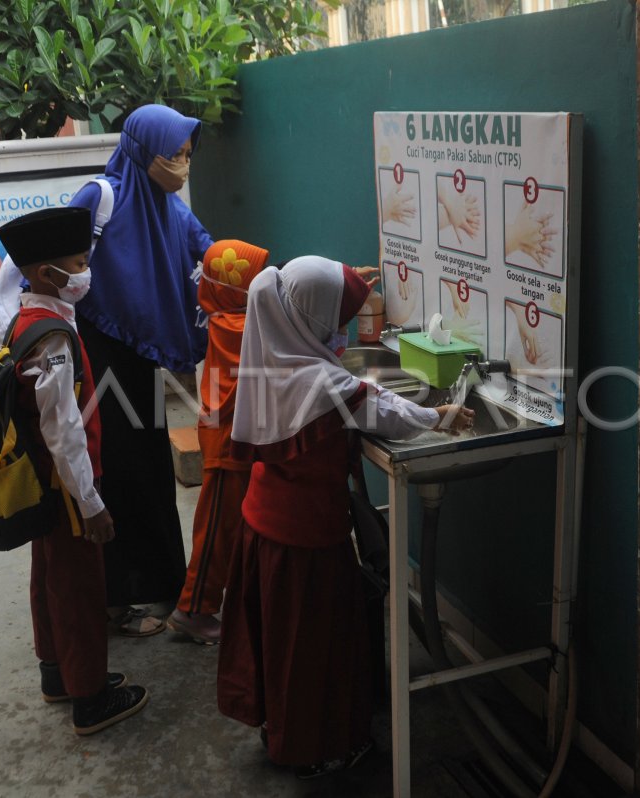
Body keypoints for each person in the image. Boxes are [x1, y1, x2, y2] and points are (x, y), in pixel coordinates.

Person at [216, 256, 474, 778]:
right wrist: (439, 416)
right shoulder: (319, 380)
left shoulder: (274, 345)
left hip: (264, 526)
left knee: (281, 643)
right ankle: (314, 748)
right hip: (306, 537)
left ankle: (281, 729)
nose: (341, 332)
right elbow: (382, 408)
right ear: (312, 322)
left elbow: (358, 389)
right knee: (312, 648)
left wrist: (341, 285)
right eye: (336, 320)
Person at [0, 207, 148, 735]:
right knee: (80, 588)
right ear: (45, 275)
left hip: (42, 480)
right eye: (79, 263)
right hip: (66, 484)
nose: (87, 272)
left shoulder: (23, 316)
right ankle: (90, 698)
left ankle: (57, 673)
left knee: (50, 577)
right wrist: (92, 503)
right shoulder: (53, 336)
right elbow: (64, 429)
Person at [69, 104, 215, 636]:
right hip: (93, 356)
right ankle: (113, 600)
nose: (181, 164)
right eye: (172, 154)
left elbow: (217, 256)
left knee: (149, 470)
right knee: (110, 474)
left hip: (139, 361)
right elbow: (50, 265)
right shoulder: (100, 197)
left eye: (186, 154)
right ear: (139, 149)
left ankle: (156, 589)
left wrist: (290, 282)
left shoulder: (171, 210)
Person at [166, 239, 270, 645]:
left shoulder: (229, 314)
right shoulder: (239, 325)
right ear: (236, 288)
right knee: (216, 530)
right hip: (227, 441)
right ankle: (192, 609)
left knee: (233, 523)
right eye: (257, 277)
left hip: (230, 432)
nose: (265, 282)